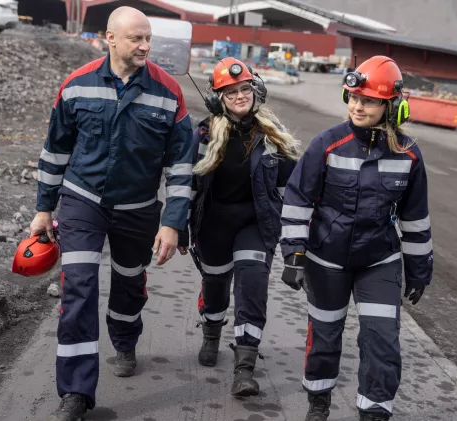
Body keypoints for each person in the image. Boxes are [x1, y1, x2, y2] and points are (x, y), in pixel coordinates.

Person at [29, 6, 194, 421]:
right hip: (82, 203)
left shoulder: (169, 92)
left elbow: (181, 166)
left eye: (149, 38)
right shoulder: (76, 85)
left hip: (138, 210)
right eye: (137, 38)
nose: (145, 46)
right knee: (78, 288)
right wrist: (43, 209)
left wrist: (173, 222)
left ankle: (124, 338)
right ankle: (76, 393)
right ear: (111, 38)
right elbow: (55, 151)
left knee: (128, 284)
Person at [279, 56, 433, 421]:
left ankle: (375, 412)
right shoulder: (328, 144)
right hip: (326, 260)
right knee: (325, 336)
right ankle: (318, 402)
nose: (357, 106)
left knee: (382, 339)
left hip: (378, 261)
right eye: (352, 97)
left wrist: (419, 269)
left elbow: (415, 218)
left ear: (391, 105)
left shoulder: (408, 153)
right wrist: (294, 253)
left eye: (369, 100)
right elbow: (298, 198)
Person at [182, 57, 300, 397]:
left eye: (244, 88)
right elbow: (185, 185)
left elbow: (296, 187)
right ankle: (212, 332)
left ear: (255, 90)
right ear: (217, 98)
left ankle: (245, 366)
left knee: (252, 283)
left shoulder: (271, 135)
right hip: (213, 226)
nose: (238, 96)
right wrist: (176, 227)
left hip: (254, 224)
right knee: (216, 285)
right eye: (229, 91)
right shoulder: (203, 135)